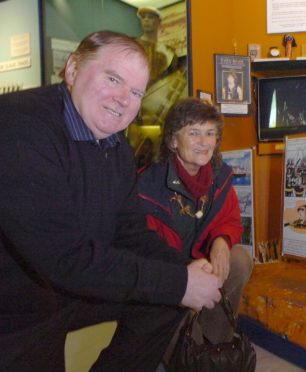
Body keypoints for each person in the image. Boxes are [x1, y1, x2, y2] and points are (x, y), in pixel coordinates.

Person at [0, 31, 222, 371]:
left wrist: (183, 271)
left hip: (66, 288)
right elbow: (63, 257)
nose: (123, 99)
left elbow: (129, 231)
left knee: (164, 302)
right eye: (114, 79)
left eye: (135, 92)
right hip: (16, 307)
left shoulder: (115, 146)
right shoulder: (20, 127)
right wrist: (179, 283)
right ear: (73, 69)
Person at [136, 98, 253, 347]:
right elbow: (144, 248)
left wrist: (221, 240)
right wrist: (186, 273)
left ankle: (216, 341)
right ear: (172, 141)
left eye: (210, 133)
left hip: (202, 264)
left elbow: (230, 219)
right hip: (166, 273)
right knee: (184, 351)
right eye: (194, 133)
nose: (204, 142)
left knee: (240, 259)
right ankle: (189, 348)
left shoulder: (219, 176)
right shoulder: (149, 184)